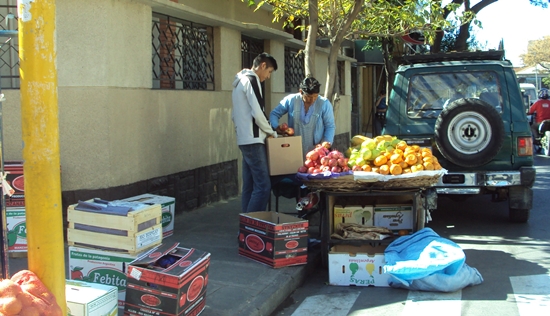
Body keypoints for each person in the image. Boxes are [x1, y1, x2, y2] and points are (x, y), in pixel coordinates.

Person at [232, 53, 278, 213]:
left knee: (250, 187)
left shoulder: (239, 82)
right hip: (253, 140)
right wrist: (271, 132)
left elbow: (235, 114)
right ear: (263, 65)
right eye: (270, 71)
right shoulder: (251, 80)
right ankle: (252, 229)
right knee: (263, 187)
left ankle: (245, 230)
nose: (269, 76)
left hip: (244, 139)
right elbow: (258, 113)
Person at [270, 76, 336, 158]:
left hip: (316, 151)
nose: (312, 100)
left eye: (315, 97)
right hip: (293, 149)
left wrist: (327, 141)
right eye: (309, 97)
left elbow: (330, 126)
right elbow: (274, 114)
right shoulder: (291, 100)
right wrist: (276, 126)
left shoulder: (324, 103)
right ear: (301, 91)